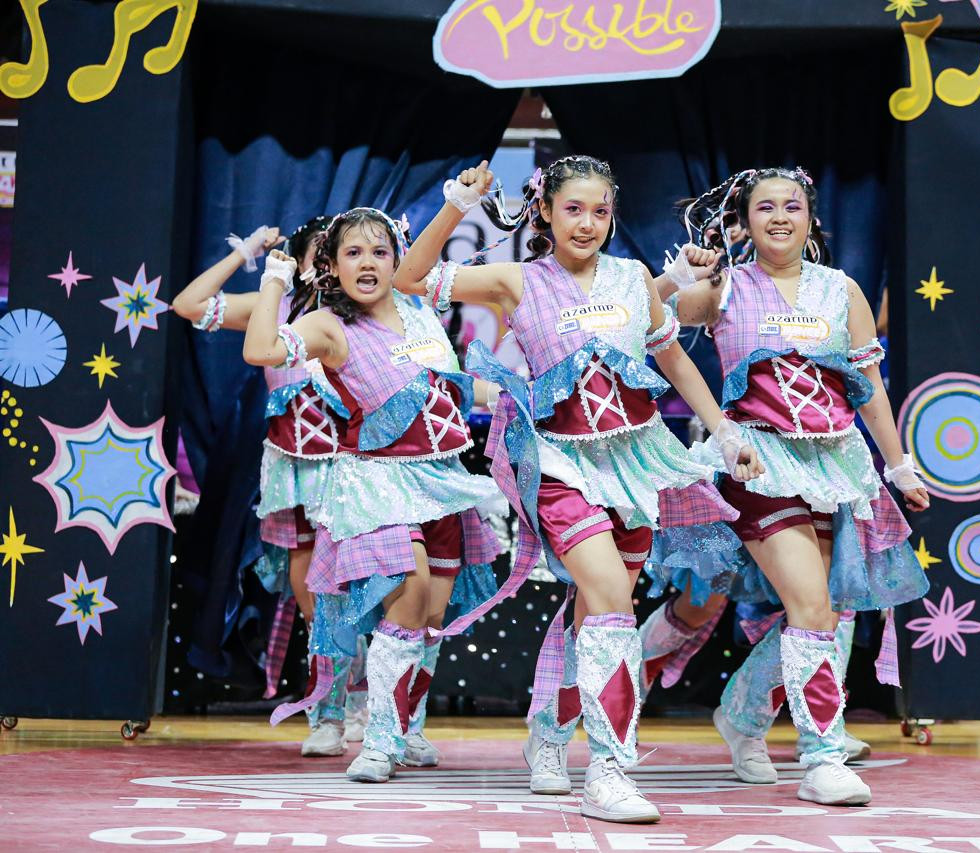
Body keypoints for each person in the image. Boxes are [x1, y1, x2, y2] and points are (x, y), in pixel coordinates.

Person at [393, 155, 761, 824]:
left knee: (596, 613)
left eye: (600, 211)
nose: (587, 223)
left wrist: (725, 431)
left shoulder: (632, 278)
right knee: (612, 599)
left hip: (636, 464)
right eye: (573, 209)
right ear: (545, 212)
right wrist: (457, 204)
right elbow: (409, 278)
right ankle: (610, 771)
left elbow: (673, 357)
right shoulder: (515, 280)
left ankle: (549, 732)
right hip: (559, 465)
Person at [653, 167, 931, 806]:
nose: (780, 217)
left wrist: (899, 466)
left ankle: (742, 716)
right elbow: (645, 321)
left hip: (834, 466)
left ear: (811, 218)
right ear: (745, 221)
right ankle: (823, 759)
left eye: (792, 206)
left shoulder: (842, 291)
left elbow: (869, 388)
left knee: (823, 612)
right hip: (758, 462)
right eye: (766, 207)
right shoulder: (725, 288)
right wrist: (677, 278)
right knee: (809, 607)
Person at [243, 195, 503, 785]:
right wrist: (273, 281)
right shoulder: (329, 326)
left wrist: (515, 393)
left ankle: (406, 727)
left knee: (430, 617)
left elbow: (453, 388)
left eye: (379, 252)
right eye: (353, 253)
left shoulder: (420, 310)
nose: (367, 262)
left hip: (442, 480)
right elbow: (260, 350)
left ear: (395, 260)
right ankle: (377, 741)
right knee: (410, 594)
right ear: (332, 265)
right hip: (378, 481)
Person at [172, 217, 369, 756]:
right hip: (297, 471)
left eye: (339, 254)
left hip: (361, 469)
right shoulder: (275, 308)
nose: (330, 263)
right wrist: (250, 256)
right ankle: (332, 709)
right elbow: (188, 305)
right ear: (299, 262)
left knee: (371, 595)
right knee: (315, 600)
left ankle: (372, 704)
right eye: (320, 253)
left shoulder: (363, 316)